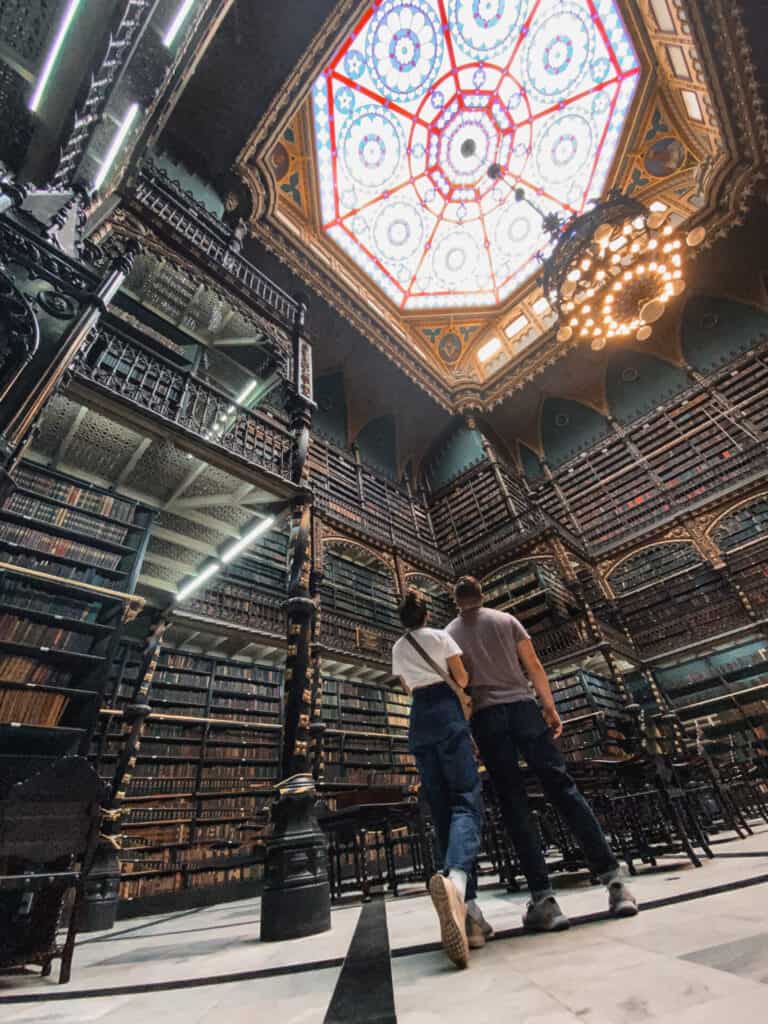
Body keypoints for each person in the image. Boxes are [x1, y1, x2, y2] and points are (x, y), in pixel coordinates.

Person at [446, 576, 638, 930]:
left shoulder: (449, 633)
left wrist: (468, 728)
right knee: (563, 789)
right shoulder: (506, 620)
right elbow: (533, 664)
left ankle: (544, 901)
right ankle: (616, 884)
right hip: (523, 709)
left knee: (513, 804)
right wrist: (549, 706)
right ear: (483, 595)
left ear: (455, 600)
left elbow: (460, 688)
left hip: (487, 718)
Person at [392, 590, 491, 968]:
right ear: (427, 613)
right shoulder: (440, 636)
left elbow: (406, 686)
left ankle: (469, 918)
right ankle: (458, 884)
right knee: (467, 798)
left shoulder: (399, 647)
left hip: (419, 722)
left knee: (442, 811)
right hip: (447, 715)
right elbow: (462, 678)